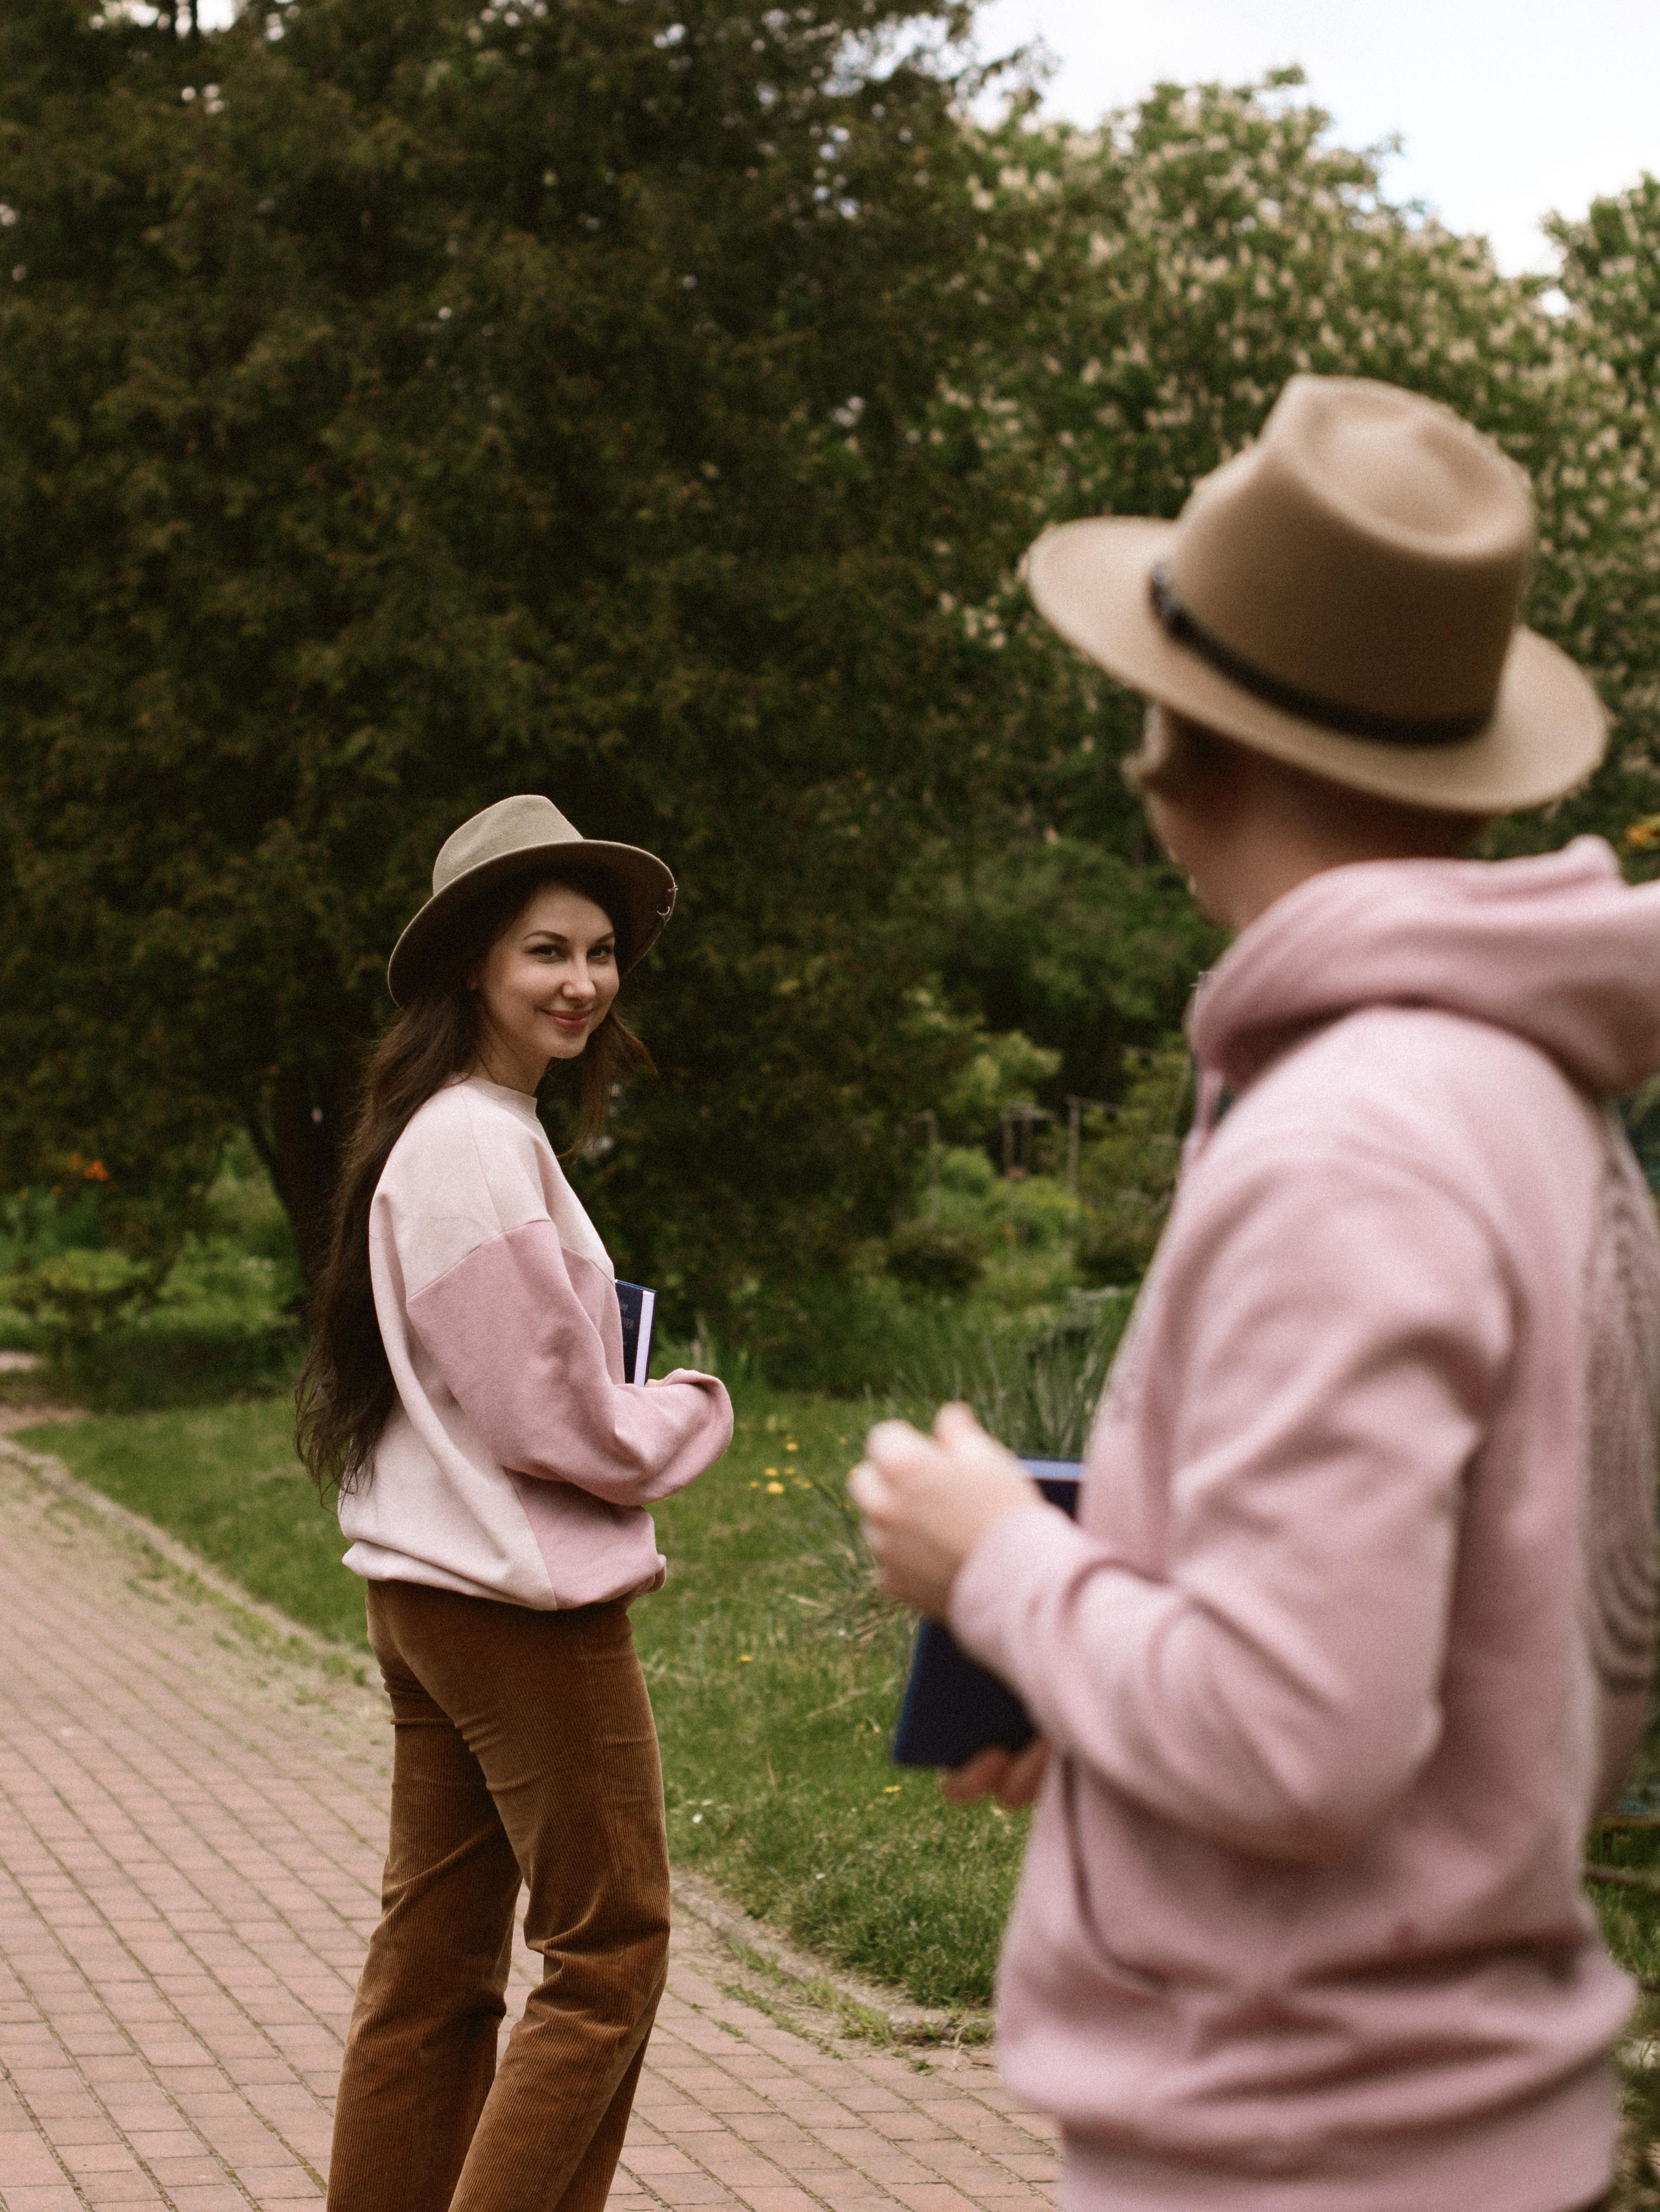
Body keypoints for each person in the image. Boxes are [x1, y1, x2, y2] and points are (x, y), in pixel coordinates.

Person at [852, 375, 1660, 2212]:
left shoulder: (1352, 1146)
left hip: (1299, 2150)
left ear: (1176, 753)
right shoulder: (1535, 1103)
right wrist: (1101, 1696)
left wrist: (998, 1562)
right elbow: (1449, 1669)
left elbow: (1297, 1735)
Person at [296, 794, 733, 2212]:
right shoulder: (475, 1143)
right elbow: (552, 1416)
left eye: (602, 951)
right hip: (517, 1606)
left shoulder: (436, 1132)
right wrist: (684, 1407)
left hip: (426, 1593)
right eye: (547, 948)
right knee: (609, 1955)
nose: (584, 980)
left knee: (431, 1972)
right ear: (473, 964)